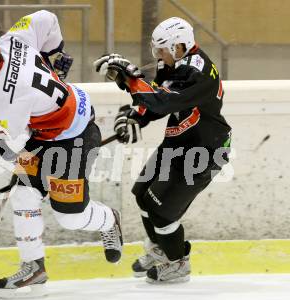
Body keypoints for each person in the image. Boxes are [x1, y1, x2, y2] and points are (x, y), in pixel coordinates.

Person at [0, 10, 122, 298]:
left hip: (74, 137)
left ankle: (109, 220)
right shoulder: (11, 41)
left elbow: (18, 143)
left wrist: (5, 149)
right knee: (23, 194)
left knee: (69, 217)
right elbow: (46, 17)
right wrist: (54, 53)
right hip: (59, 120)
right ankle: (34, 267)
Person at [94, 17, 232, 283]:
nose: (158, 56)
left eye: (163, 50)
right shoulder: (173, 63)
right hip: (179, 142)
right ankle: (162, 249)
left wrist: (130, 79)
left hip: (203, 152)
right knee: (142, 194)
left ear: (180, 46)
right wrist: (136, 116)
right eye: (156, 49)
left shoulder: (199, 72)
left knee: (162, 211)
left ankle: (177, 262)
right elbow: (158, 95)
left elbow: (163, 101)